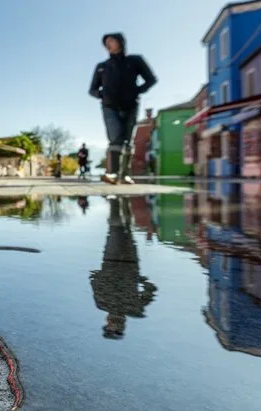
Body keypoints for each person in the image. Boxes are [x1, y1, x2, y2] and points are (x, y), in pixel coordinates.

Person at [89, 33, 157, 185]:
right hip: (109, 107)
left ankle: (125, 175)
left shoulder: (135, 61)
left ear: (120, 42)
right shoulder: (102, 67)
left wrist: (137, 91)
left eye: (111, 41)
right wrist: (102, 95)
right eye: (106, 43)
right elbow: (92, 89)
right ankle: (113, 174)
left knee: (127, 140)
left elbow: (151, 79)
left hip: (130, 105)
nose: (108, 44)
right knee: (115, 138)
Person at [89, 197, 157, 340]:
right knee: (116, 229)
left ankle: (122, 201)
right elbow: (95, 282)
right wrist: (98, 275)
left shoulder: (134, 308)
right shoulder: (103, 304)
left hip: (128, 263)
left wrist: (139, 279)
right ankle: (117, 201)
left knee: (124, 231)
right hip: (113, 261)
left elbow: (151, 289)